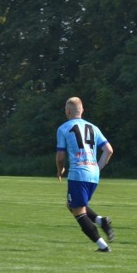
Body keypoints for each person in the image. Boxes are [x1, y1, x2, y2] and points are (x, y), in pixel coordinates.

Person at [56, 97, 115, 252]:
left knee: (78, 211)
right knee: (72, 204)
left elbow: (61, 156)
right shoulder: (93, 127)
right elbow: (109, 150)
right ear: (82, 110)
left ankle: (103, 246)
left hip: (78, 173)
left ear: (67, 111)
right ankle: (100, 221)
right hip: (93, 175)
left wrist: (60, 169)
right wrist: (97, 167)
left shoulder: (63, 128)